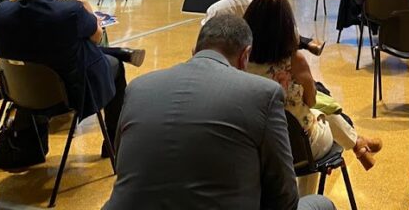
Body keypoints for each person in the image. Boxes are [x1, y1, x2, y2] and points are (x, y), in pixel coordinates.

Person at [102, 15, 335, 210]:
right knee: (321, 203)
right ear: (245, 56)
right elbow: (285, 200)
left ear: (194, 50)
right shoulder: (264, 93)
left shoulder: (138, 87)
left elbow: (123, 166)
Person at [0, 0, 126, 151]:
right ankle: (114, 144)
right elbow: (96, 37)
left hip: (19, 91)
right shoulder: (71, 11)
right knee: (115, 65)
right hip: (64, 95)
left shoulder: (2, 11)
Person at [243, 0, 382, 171]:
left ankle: (358, 142)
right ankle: (357, 143)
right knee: (322, 111)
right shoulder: (294, 60)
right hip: (298, 149)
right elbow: (311, 100)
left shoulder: (240, 59)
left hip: (253, 148)